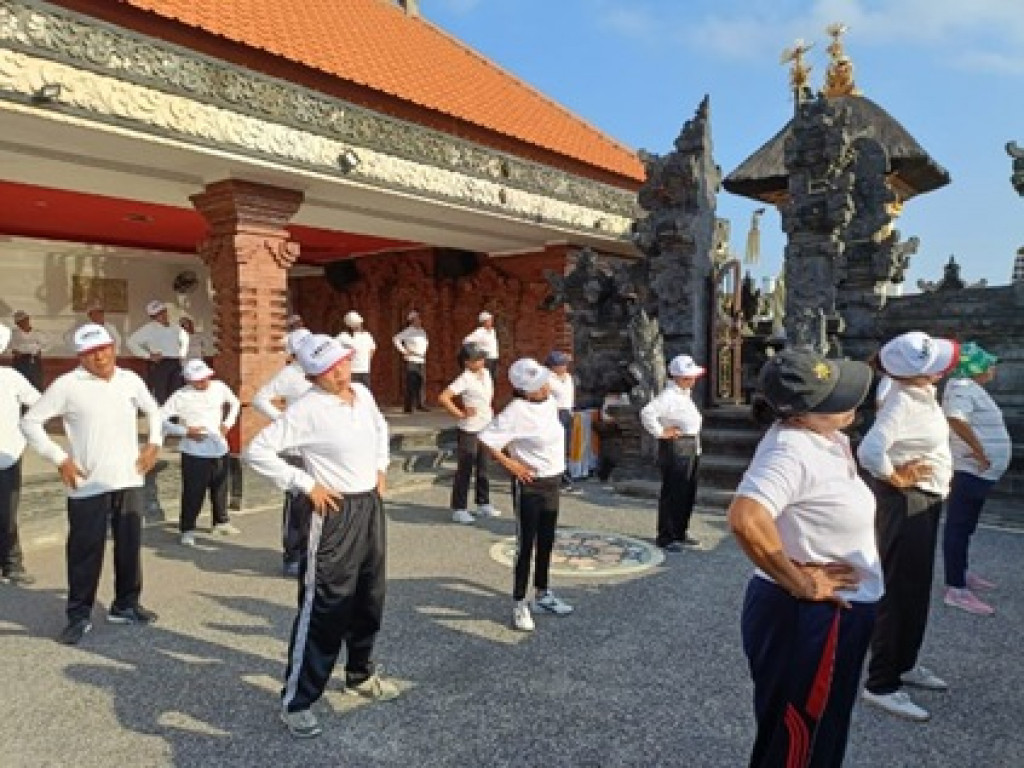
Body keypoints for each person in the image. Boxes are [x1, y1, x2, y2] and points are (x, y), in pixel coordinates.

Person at [728, 348, 878, 768]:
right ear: (800, 414)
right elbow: (746, 517)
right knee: (799, 740)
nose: (851, 405)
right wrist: (801, 581)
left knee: (820, 729)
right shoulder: (791, 450)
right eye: (835, 400)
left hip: (831, 613)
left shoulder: (824, 438)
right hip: (811, 615)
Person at [244, 334, 397, 739]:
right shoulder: (305, 410)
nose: (341, 372)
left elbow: (380, 429)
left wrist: (380, 468)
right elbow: (256, 451)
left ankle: (359, 674)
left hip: (369, 506)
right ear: (313, 374)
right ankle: (297, 700)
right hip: (334, 513)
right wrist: (304, 483)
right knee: (325, 608)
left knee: (369, 597)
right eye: (331, 369)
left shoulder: (361, 393)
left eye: (343, 362)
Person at [21, 323, 162, 645]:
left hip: (128, 477)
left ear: (113, 346)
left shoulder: (130, 380)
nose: (100, 357)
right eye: (90, 353)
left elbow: (153, 409)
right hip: (87, 482)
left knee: (129, 546)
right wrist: (60, 458)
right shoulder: (67, 385)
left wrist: (154, 443)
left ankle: (125, 604)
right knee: (85, 550)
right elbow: (30, 422)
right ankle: (79, 614)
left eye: (104, 348)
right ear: (80, 358)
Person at [858, 331, 958, 722]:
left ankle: (904, 663)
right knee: (898, 590)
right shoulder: (901, 400)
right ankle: (881, 682)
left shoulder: (917, 393)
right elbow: (869, 450)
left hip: (924, 498)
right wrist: (897, 477)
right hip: (906, 499)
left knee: (915, 587)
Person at [479, 358, 573, 632]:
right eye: (538, 385)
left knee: (547, 540)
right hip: (530, 485)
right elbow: (487, 439)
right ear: (524, 390)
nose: (545, 386)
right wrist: (511, 463)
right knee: (526, 545)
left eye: (544, 381)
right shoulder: (515, 411)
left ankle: (542, 594)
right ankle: (519, 602)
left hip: (552, 480)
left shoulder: (550, 403)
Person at [941, 342, 1011, 616]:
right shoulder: (962, 388)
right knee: (958, 527)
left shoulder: (970, 389)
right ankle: (955, 588)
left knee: (965, 526)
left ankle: (961, 573)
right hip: (970, 470)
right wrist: (980, 452)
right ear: (975, 368)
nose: (992, 369)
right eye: (988, 365)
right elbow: (956, 418)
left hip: (979, 471)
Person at [253, 328, 314, 577]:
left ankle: (313, 553)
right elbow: (260, 398)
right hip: (296, 449)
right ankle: (292, 554)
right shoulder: (289, 374)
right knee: (297, 504)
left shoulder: (317, 373)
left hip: (317, 447)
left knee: (316, 502)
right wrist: (283, 420)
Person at [161, 359, 241, 546]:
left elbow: (235, 403)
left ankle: (221, 521)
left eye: (205, 378)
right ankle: (187, 528)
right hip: (194, 451)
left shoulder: (219, 387)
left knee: (220, 487)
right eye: (198, 380)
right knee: (193, 492)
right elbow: (160, 417)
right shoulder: (180, 396)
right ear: (188, 380)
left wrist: (227, 424)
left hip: (219, 446)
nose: (203, 382)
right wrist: (185, 432)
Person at [640, 354, 706, 551]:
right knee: (674, 492)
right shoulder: (668, 397)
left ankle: (680, 531)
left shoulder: (684, 396)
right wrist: (661, 432)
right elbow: (647, 413)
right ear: (677, 378)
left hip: (690, 445)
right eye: (688, 378)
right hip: (677, 447)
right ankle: (667, 536)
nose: (692, 381)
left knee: (687, 492)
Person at [438, 342, 499, 524]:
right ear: (467, 362)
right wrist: (460, 413)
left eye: (482, 358)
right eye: (477, 359)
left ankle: (483, 503)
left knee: (484, 466)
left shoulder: (487, 374)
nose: (482, 361)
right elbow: (444, 397)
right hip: (469, 428)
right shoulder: (464, 378)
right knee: (465, 468)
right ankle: (459, 508)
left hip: (486, 425)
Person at [0, 323, 41, 586]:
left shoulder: (11, 378)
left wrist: (26, 431)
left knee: (6, 512)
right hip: (10, 452)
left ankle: (12, 563)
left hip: (7, 453)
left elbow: (39, 403)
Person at [127, 300, 188, 404]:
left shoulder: (175, 327)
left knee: (176, 395)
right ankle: (162, 419)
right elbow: (131, 342)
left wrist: (182, 354)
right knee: (162, 395)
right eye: (158, 314)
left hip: (176, 363)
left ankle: (173, 420)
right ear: (153, 317)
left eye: (163, 312)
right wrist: (147, 355)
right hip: (161, 364)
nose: (162, 315)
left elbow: (184, 340)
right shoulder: (148, 329)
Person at [545, 350, 580, 494]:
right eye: (562, 364)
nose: (565, 367)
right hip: (556, 413)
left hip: (568, 412)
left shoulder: (568, 377)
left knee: (566, 447)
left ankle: (564, 477)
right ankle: (562, 479)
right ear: (553, 366)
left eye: (566, 364)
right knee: (557, 447)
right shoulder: (547, 378)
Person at [393, 310, 429, 413]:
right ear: (412, 321)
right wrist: (404, 351)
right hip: (412, 359)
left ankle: (420, 404)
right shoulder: (408, 331)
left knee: (421, 382)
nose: (419, 320)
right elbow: (396, 339)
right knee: (411, 383)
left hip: (421, 359)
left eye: (419, 318)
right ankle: (408, 406)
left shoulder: (422, 331)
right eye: (417, 318)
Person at [10, 310, 49, 389]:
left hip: (33, 359)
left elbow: (46, 345)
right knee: (20, 382)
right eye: (19, 322)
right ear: (17, 323)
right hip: (20, 360)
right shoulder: (14, 334)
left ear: (28, 320)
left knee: (36, 382)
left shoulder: (38, 333)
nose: (22, 323)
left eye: (24, 320)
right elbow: (9, 346)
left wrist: (40, 351)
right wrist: (14, 351)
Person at [336, 311, 376, 388]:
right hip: (351, 371)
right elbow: (335, 349)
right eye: (357, 324)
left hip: (365, 371)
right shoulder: (343, 336)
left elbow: (372, 348)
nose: (359, 325)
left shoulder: (366, 335)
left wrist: (366, 360)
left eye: (359, 323)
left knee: (364, 393)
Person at [463, 310, 499, 380]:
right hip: (486, 360)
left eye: (491, 319)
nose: (491, 321)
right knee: (486, 379)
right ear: (484, 322)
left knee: (493, 379)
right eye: (489, 320)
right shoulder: (479, 332)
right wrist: (476, 354)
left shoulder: (492, 331)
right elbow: (466, 341)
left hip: (494, 358)